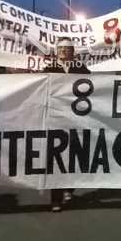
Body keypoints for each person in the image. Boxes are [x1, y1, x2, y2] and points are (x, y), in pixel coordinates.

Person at [43, 37, 90, 212]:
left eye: (67, 48)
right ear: (56, 51)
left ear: (73, 52)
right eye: (60, 48)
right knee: (55, 158)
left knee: (74, 155)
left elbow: (94, 87)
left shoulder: (82, 69)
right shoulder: (48, 70)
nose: (63, 50)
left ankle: (69, 188)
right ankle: (55, 199)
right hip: (55, 119)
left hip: (76, 119)